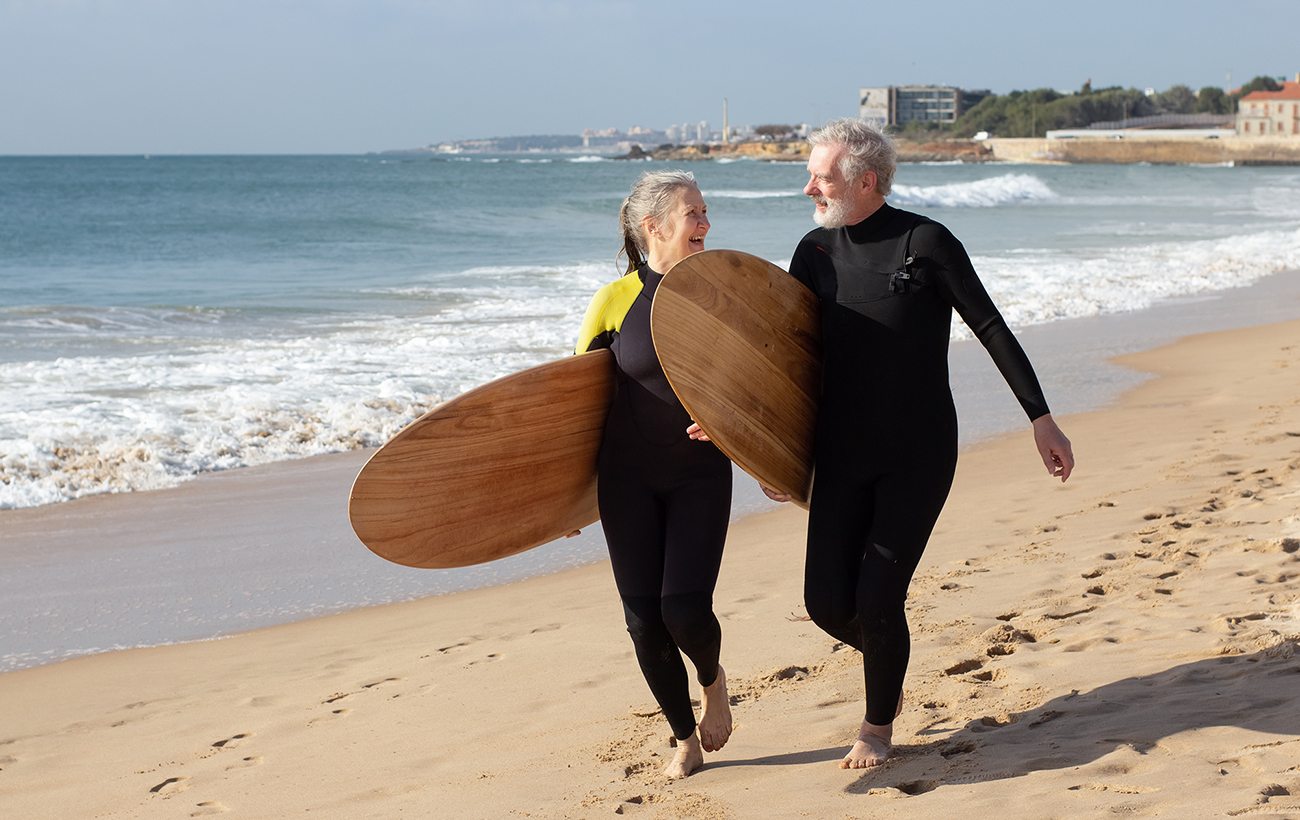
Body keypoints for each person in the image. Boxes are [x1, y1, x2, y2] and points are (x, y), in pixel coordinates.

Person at [764, 119, 1074, 769]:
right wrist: (763, 445)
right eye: (811, 176)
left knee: (879, 596)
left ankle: (877, 727)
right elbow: (792, 361)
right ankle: (889, 661)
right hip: (840, 452)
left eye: (821, 178)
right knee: (826, 604)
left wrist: (1040, 417)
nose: (808, 189)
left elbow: (990, 326)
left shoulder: (926, 242)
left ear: (866, 181)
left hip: (918, 450)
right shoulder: (812, 253)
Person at [574, 170, 734, 779]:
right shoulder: (613, 301)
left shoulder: (722, 291)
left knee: (684, 610)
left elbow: (762, 382)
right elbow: (573, 405)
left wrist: (738, 432)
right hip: (626, 480)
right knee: (643, 621)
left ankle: (712, 679)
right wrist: (561, 501)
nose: (705, 223)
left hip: (699, 475)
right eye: (694, 213)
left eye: (704, 211)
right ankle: (683, 737)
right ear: (654, 227)